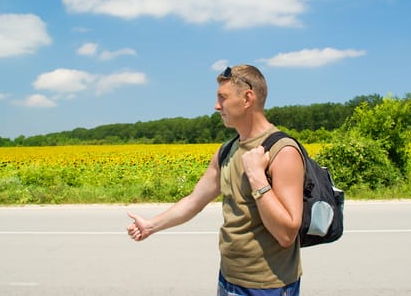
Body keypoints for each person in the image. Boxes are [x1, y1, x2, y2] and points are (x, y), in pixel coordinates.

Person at [127, 64, 305, 295]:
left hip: (268, 286)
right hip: (229, 278)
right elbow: (194, 201)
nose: (216, 106)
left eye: (223, 97)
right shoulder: (227, 150)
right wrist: (151, 226)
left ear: (247, 98)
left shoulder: (283, 151)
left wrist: (257, 177)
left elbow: (287, 234)